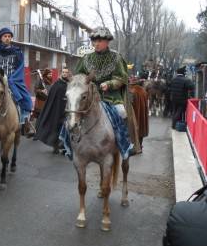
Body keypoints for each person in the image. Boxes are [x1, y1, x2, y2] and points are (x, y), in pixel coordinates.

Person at [73, 26, 139, 158]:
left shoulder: (116, 58)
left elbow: (121, 78)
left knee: (121, 112)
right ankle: (68, 141)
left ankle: (126, 143)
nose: (96, 44)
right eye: (94, 41)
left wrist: (109, 84)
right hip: (90, 95)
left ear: (107, 41)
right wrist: (82, 83)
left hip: (110, 96)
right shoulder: (86, 58)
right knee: (73, 110)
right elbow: (79, 75)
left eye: (99, 41)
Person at [34, 67, 70, 153]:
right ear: (61, 73)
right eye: (63, 72)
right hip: (57, 110)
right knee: (55, 128)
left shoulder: (69, 84)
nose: (65, 74)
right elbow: (51, 98)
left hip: (66, 110)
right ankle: (56, 146)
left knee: (66, 129)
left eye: (66, 72)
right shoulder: (57, 84)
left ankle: (65, 147)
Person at [128, 77, 149, 151]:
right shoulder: (143, 91)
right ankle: (140, 145)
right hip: (143, 114)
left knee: (134, 130)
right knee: (141, 129)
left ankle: (135, 147)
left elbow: (129, 104)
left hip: (135, 115)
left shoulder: (131, 91)